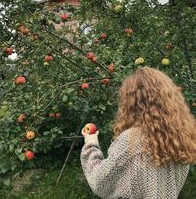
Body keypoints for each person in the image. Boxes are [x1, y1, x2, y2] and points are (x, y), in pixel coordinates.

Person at [80, 66, 196, 199]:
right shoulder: (179, 138)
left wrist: (91, 145)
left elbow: (99, 182)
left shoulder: (131, 141)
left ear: (130, 103)